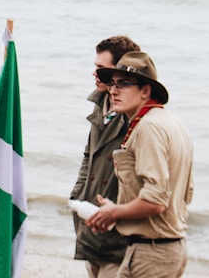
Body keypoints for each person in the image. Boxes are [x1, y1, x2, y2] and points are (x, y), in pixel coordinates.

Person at [87, 52, 194, 278]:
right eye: (113, 84)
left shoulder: (149, 128)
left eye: (124, 84)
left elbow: (155, 201)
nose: (114, 91)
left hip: (153, 253)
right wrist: (118, 209)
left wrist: (114, 212)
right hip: (160, 248)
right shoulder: (170, 122)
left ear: (146, 91)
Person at [70, 36, 141, 278]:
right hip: (91, 224)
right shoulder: (100, 104)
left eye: (101, 69)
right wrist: (77, 196)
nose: (94, 73)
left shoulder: (134, 116)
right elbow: (88, 157)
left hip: (118, 235)